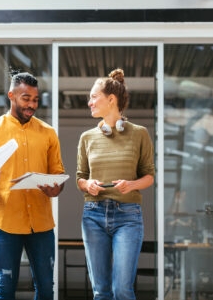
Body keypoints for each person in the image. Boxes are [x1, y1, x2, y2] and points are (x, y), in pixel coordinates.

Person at [0, 71, 65, 300]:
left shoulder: (48, 133)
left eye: (35, 99)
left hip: (41, 224)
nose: (31, 105)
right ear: (11, 95)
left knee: (45, 288)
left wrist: (56, 188)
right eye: (26, 98)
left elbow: (58, 174)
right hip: (5, 223)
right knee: (6, 288)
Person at [76, 68, 155, 300]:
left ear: (111, 99)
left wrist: (131, 185)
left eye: (93, 96)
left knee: (122, 289)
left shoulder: (139, 134)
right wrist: (87, 185)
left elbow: (149, 175)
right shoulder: (86, 138)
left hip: (128, 216)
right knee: (101, 291)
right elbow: (80, 177)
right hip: (93, 215)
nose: (89, 102)